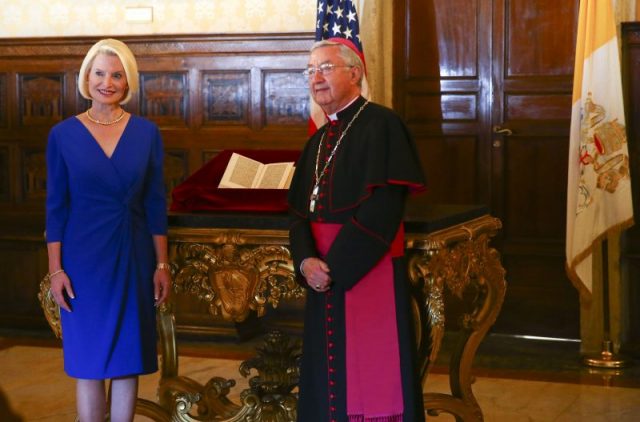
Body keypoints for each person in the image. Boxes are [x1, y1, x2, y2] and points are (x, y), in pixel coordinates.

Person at [288, 38, 427, 422]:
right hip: (321, 272)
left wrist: (334, 269)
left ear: (355, 72)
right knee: (328, 382)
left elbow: (383, 207)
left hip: (365, 268)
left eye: (326, 68)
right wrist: (305, 263)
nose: (316, 78)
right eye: (310, 70)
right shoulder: (318, 139)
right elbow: (299, 212)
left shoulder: (383, 124)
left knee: (373, 377)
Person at [45, 38, 170, 422]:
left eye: (116, 75)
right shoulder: (63, 135)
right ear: (86, 77)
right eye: (99, 73)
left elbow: (154, 204)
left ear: (128, 81)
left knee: (126, 358)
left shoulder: (147, 133)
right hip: (82, 261)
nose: (107, 82)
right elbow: (55, 207)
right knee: (88, 361)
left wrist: (162, 265)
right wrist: (56, 269)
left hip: (134, 256)